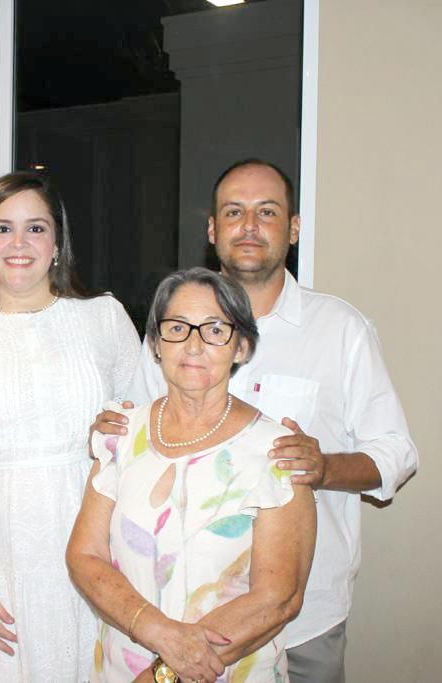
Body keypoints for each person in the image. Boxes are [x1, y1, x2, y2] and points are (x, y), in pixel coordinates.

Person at [100, 159, 418, 682]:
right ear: (212, 230)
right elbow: (137, 439)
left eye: (266, 212)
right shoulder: (173, 330)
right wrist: (108, 431)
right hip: (176, 619)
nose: (249, 225)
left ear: (293, 228)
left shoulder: (340, 330)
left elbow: (397, 453)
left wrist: (324, 467)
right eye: (234, 212)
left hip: (303, 622)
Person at [0, 171, 141, 681]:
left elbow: (145, 437)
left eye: (36, 228)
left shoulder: (104, 318)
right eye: (3, 228)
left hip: (91, 548)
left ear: (57, 244)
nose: (19, 243)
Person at [68, 267, 316, 682]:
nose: (194, 345)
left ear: (242, 346)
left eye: (215, 329)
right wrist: (160, 633)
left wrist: (165, 672)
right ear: (156, 345)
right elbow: (84, 555)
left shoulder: (277, 452)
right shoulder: (121, 435)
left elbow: (278, 597)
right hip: (123, 666)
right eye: (177, 328)